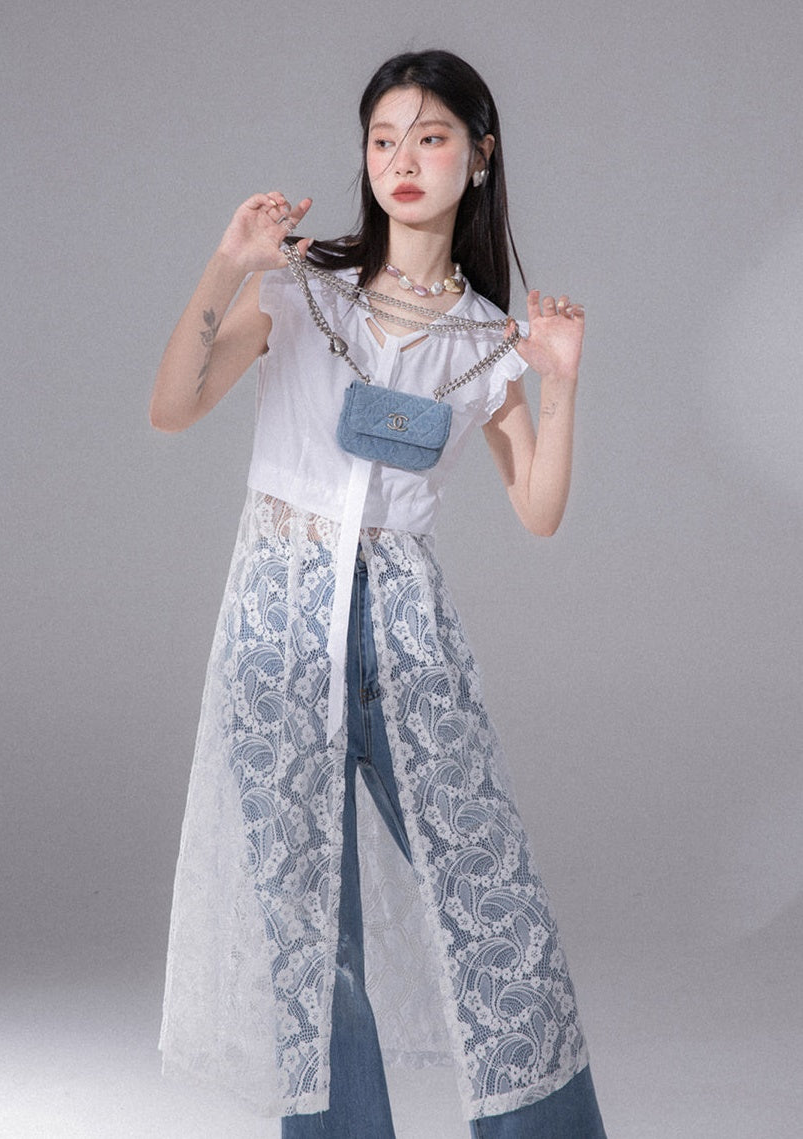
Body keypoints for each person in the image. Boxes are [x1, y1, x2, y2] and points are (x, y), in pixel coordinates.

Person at [152, 49, 606, 1139]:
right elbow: (173, 405)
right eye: (383, 138)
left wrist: (558, 379)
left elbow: (538, 508)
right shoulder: (302, 288)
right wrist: (228, 262)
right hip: (280, 612)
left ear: (479, 157)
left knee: (497, 907)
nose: (402, 159)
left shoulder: (486, 338)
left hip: (406, 628)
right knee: (311, 934)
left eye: (430, 137)